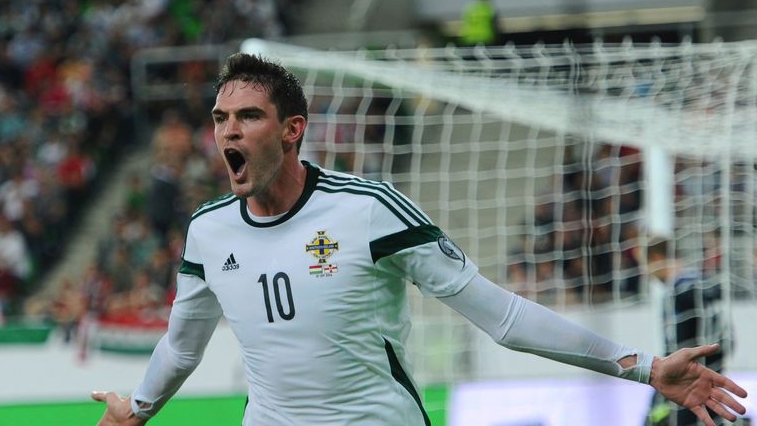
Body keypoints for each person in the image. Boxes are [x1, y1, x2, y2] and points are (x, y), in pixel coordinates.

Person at [92, 53, 747, 426]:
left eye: (248, 117)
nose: (228, 132)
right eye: (220, 119)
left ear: (293, 129)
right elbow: (183, 342)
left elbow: (505, 317)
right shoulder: (208, 231)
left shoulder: (370, 211)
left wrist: (645, 368)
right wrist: (139, 408)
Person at [642, 237, 734, 426]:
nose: (647, 272)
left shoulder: (679, 289)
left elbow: (677, 346)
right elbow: (728, 338)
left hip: (687, 382)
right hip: (712, 376)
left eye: (647, 265)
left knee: (655, 419)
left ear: (656, 258)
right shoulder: (704, 283)